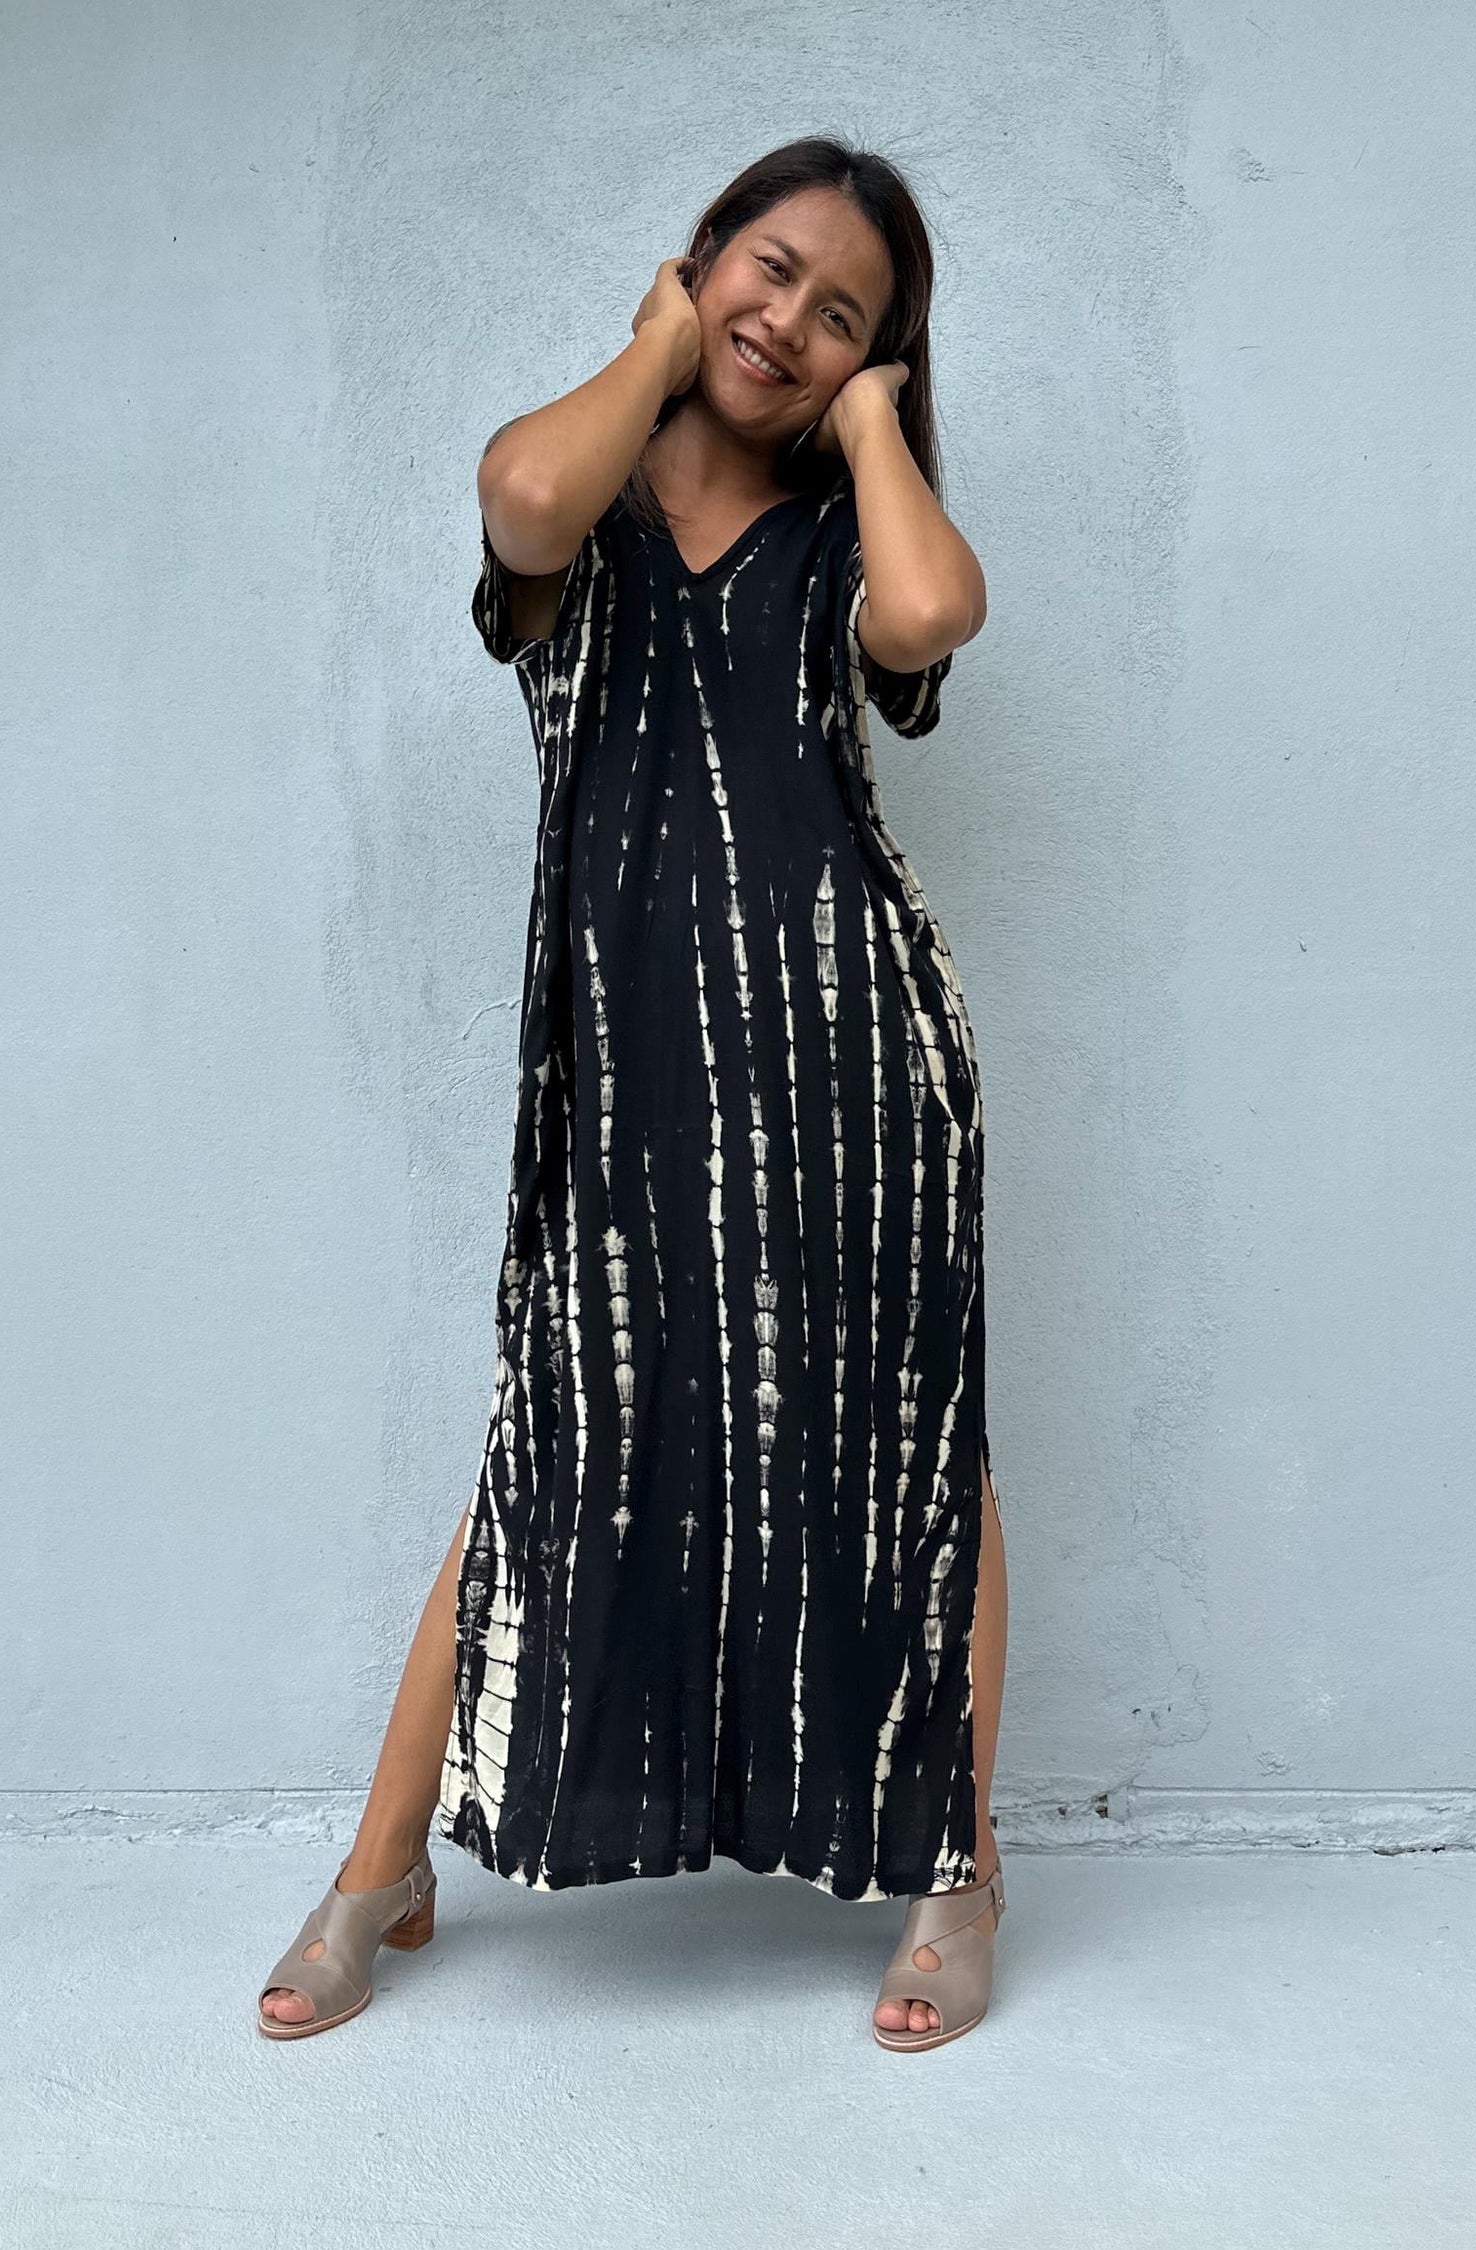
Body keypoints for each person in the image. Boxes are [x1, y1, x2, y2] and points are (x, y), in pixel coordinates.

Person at [257, 136, 1009, 2055]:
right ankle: (380, 1866)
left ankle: (958, 1870)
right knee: (552, 1439)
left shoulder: (846, 534)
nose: (792, 320)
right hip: (628, 1076)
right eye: (770, 270)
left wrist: (876, 427)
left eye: (844, 313)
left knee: (917, 1454)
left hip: (858, 1073)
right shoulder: (584, 506)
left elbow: (933, 616)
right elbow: (519, 495)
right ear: (700, 260)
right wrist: (661, 339)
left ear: (873, 360)